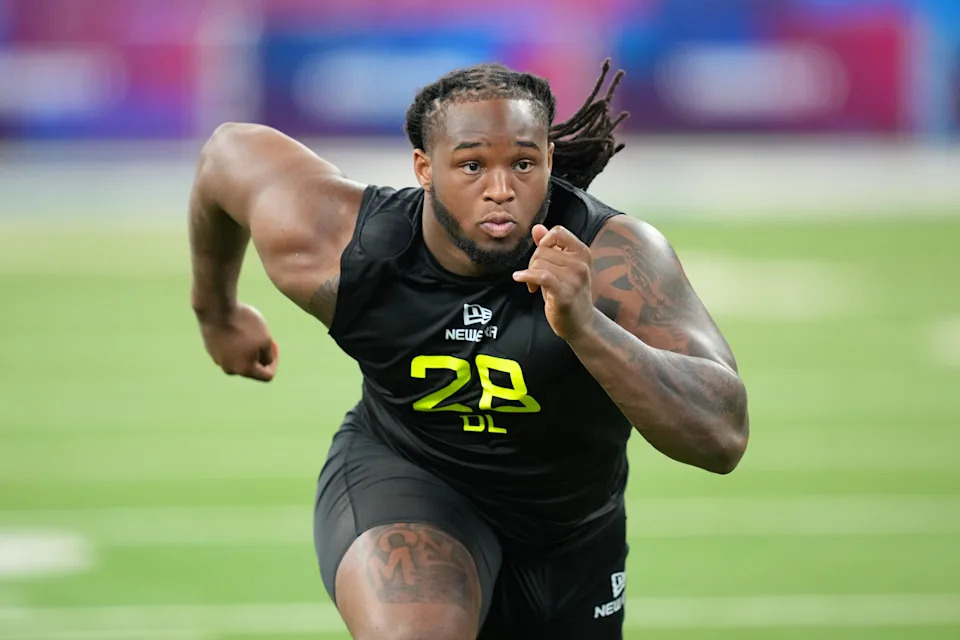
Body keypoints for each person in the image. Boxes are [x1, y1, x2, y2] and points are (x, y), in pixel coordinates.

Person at [188, 59, 749, 640]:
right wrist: (217, 311)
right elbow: (227, 155)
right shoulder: (344, 250)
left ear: (550, 162)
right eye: (473, 165)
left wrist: (586, 326)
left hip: (571, 525)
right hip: (410, 479)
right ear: (424, 169)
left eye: (524, 164)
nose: (501, 190)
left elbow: (722, 437)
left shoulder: (612, 258)